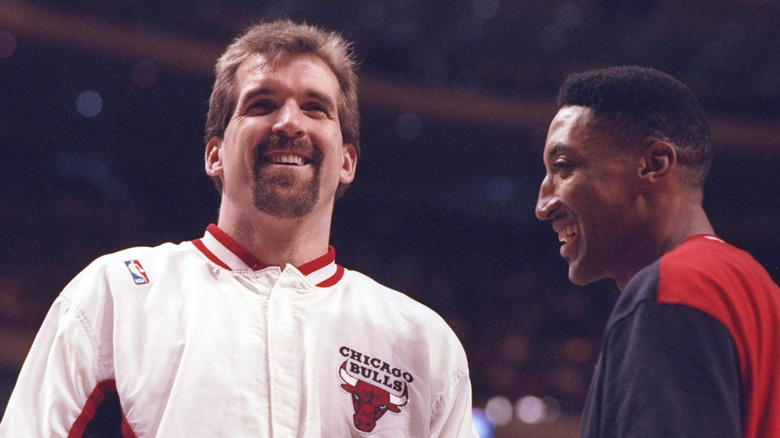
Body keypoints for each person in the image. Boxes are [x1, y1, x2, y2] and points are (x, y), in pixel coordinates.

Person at [0, 20, 477, 437]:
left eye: (316, 108)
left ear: (347, 160)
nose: (289, 122)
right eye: (262, 103)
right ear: (215, 154)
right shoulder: (116, 295)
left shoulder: (423, 344)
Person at [535, 65, 780, 437]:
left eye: (564, 167)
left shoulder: (675, 290)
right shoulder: (760, 290)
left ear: (653, 164)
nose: (543, 204)